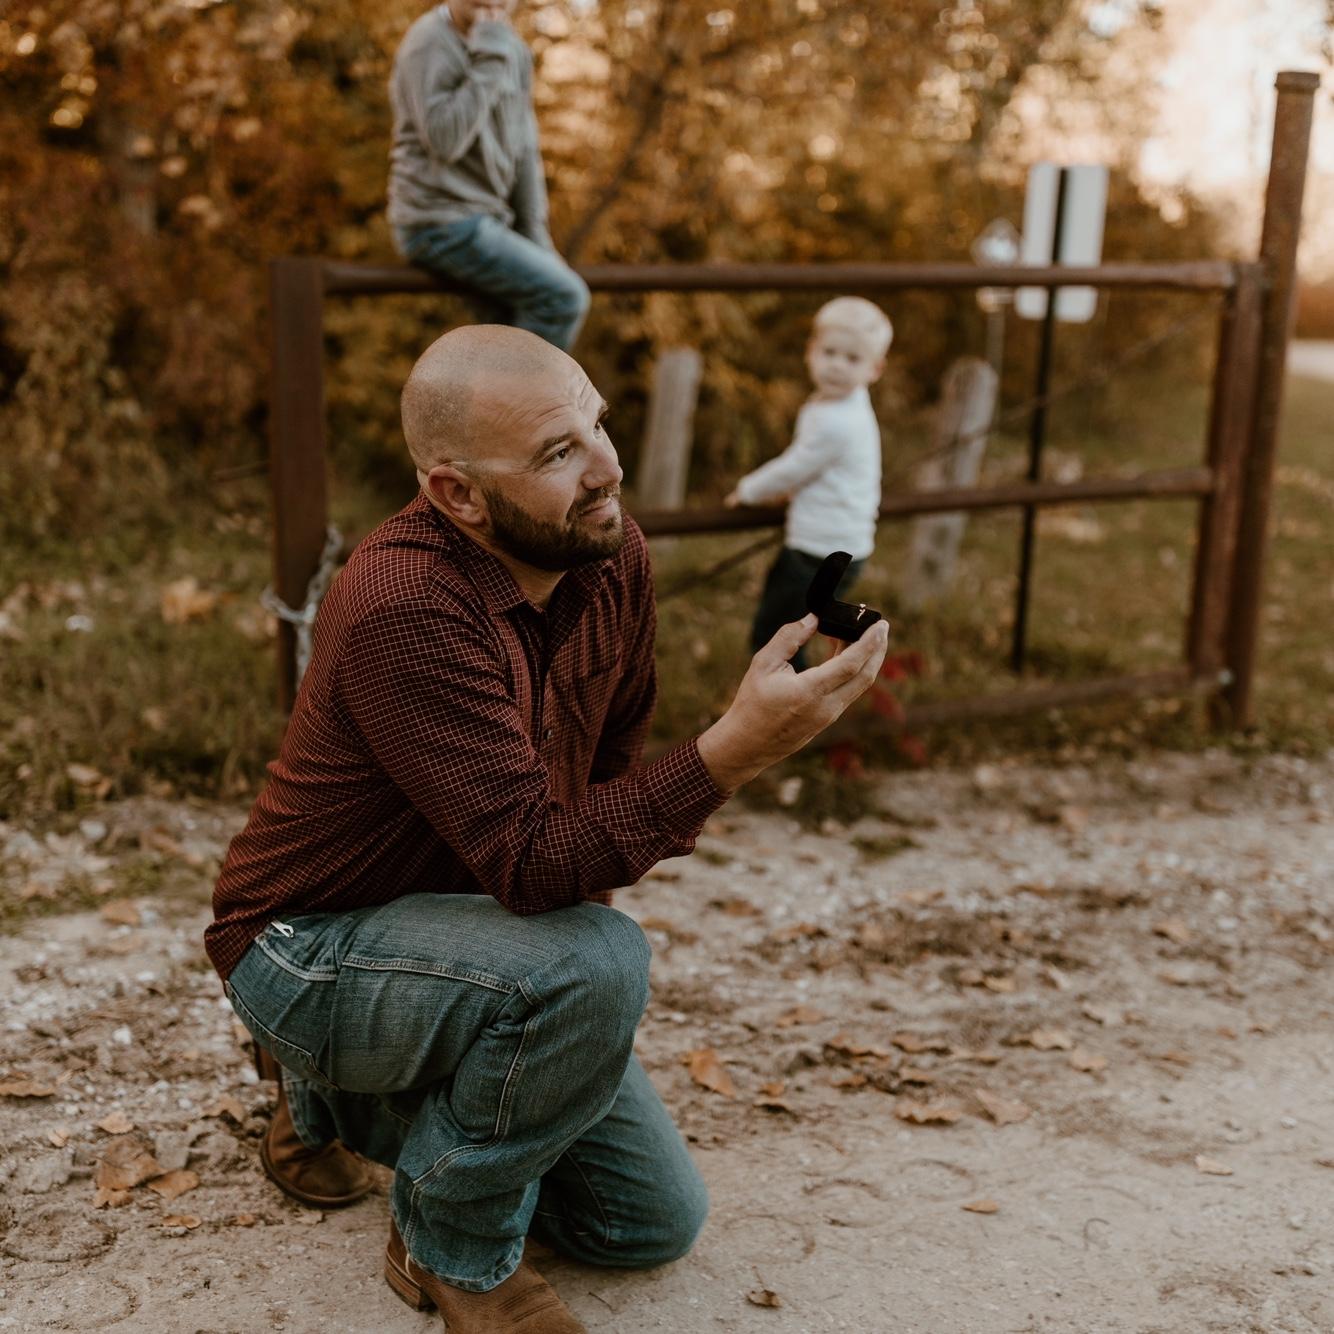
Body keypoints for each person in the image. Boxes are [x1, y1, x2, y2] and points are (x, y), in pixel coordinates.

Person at [206, 325, 888, 1332]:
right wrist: (733, 751)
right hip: (307, 944)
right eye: (557, 452)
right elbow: (532, 861)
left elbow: (607, 766)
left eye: (596, 424)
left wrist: (559, 1001)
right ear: (458, 494)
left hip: (471, 943)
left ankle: (346, 1099)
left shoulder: (606, 551)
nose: (606, 467)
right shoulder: (405, 604)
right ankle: (452, 1246)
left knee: (646, 1222)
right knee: (597, 963)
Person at [387, 0, 590, 352]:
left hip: (486, 221)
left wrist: (537, 240)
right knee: (563, 298)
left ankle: (492, 390)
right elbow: (444, 140)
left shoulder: (513, 48)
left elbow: (525, 149)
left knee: (506, 328)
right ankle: (518, 392)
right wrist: (490, 60)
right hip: (436, 222)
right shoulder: (428, 43)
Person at [724, 296, 893, 670]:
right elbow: (814, 467)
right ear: (811, 351)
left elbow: (796, 466)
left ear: (875, 369)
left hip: (822, 551)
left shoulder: (839, 421)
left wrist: (748, 491)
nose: (837, 365)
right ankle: (800, 684)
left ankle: (792, 694)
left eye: (852, 358)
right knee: (786, 624)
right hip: (833, 545)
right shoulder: (838, 403)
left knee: (776, 636)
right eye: (829, 352)